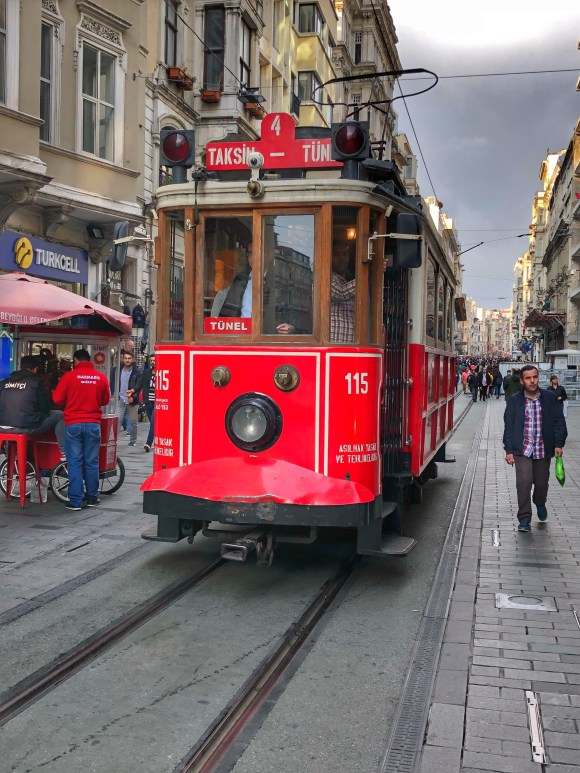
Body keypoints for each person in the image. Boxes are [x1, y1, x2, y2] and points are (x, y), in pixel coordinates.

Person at [503, 364, 567, 533]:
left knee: (541, 484)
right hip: (522, 449)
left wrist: (558, 444)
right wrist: (509, 450)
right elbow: (509, 426)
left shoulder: (549, 398)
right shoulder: (514, 401)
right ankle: (524, 519)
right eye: (528, 378)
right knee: (523, 483)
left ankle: (539, 502)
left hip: (542, 449)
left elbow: (559, 421)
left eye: (535, 377)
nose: (532, 381)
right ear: (522, 381)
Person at [52, 349, 111, 511]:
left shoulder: (68, 377)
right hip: (93, 425)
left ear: (76, 360)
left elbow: (57, 398)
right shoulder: (100, 377)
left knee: (75, 463)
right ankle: (92, 498)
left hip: (73, 424)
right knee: (91, 462)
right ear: (89, 360)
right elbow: (105, 400)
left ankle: (76, 501)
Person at [210, 242, 295, 334]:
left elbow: (293, 316)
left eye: (258, 253)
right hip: (239, 337)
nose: (254, 257)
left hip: (269, 338)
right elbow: (226, 314)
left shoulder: (281, 281)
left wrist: (293, 328)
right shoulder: (240, 280)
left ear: (270, 255)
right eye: (251, 253)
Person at [0, 354, 65, 456]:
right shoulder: (36, 382)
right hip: (24, 427)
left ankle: (9, 452)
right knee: (59, 415)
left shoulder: (4, 382)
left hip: (2, 426)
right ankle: (64, 452)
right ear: (35, 369)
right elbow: (45, 408)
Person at [330, 239, 356, 343]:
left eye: (345, 254)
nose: (342, 259)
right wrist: (368, 273)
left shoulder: (348, 281)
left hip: (351, 344)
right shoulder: (325, 277)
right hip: (334, 345)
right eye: (336, 254)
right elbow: (341, 293)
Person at [117, 351, 142, 446]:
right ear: (123, 359)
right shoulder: (118, 370)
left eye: (129, 358)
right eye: (125, 358)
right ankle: (114, 440)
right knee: (118, 420)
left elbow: (139, 386)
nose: (127, 360)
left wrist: (133, 397)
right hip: (121, 398)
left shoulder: (137, 371)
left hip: (132, 399)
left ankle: (133, 441)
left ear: (133, 360)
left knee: (133, 422)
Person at [142, 354, 155, 452]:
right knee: (153, 423)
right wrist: (133, 391)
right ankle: (158, 439)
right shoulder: (147, 372)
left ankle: (148, 443)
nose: (152, 362)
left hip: (157, 402)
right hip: (148, 401)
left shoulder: (161, 372)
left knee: (154, 423)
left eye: (154, 360)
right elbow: (141, 384)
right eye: (151, 361)